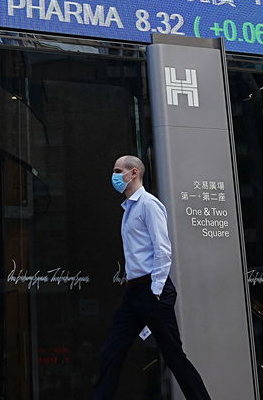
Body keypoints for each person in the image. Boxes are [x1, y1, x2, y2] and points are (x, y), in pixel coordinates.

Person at [91, 155, 213, 400]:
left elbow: (163, 250)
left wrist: (155, 291)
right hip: (134, 292)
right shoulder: (128, 209)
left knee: (174, 357)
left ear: (133, 173)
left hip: (152, 290)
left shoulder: (148, 204)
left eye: (118, 171)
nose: (114, 176)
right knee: (112, 352)